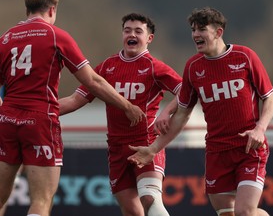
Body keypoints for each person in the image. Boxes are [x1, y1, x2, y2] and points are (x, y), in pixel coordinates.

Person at [0, 0, 145, 216]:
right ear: (52, 10)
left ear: (27, 9)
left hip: (7, 120)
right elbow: (92, 81)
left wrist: (5, 117)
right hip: (41, 122)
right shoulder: (57, 36)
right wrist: (126, 106)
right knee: (42, 201)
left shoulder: (3, 41)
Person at [128, 7, 273, 216]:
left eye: (202, 29)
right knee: (228, 214)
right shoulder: (192, 67)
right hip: (217, 152)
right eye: (193, 30)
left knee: (245, 212)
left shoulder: (244, 56)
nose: (195, 34)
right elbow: (181, 114)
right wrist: (153, 149)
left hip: (248, 148)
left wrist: (260, 128)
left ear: (218, 32)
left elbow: (269, 98)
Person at [59, 13, 182, 216]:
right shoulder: (107, 67)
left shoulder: (154, 67)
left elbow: (186, 92)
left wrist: (167, 112)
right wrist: (41, 111)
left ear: (149, 38)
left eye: (138, 31)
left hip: (146, 142)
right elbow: (74, 100)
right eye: (127, 30)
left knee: (149, 197)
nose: (131, 35)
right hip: (116, 148)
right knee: (132, 211)